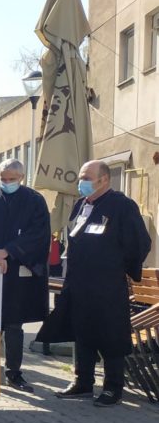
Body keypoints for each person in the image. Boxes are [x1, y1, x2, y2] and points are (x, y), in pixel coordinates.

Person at [51, 160, 150, 406]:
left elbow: (139, 243)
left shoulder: (122, 206)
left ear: (104, 179)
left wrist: (119, 267)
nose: (81, 182)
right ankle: (82, 382)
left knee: (110, 335)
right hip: (80, 283)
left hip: (108, 284)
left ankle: (112, 386)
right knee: (83, 333)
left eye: (86, 177)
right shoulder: (82, 205)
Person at [0, 160, 50, 392]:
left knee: (14, 324)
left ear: (22, 177)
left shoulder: (35, 201)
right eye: (3, 179)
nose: (6, 183)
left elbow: (38, 234)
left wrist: (9, 252)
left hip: (17, 270)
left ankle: (14, 373)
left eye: (11, 179)